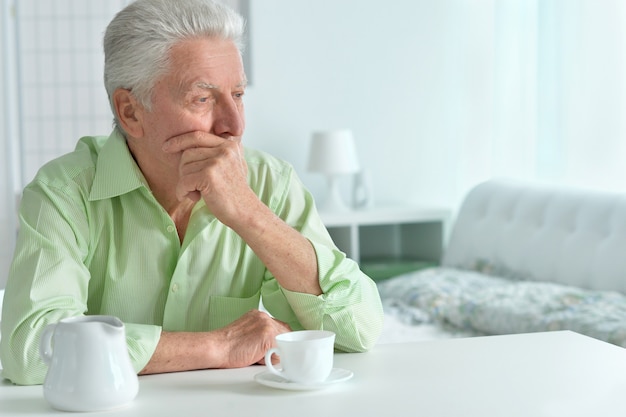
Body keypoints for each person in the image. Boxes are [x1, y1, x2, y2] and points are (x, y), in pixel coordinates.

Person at [0, 0, 384, 385]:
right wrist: (217, 347)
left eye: (237, 94)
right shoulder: (63, 193)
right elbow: (31, 350)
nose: (233, 125)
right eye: (202, 99)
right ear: (130, 112)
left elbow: (359, 330)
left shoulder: (272, 182)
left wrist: (249, 213)